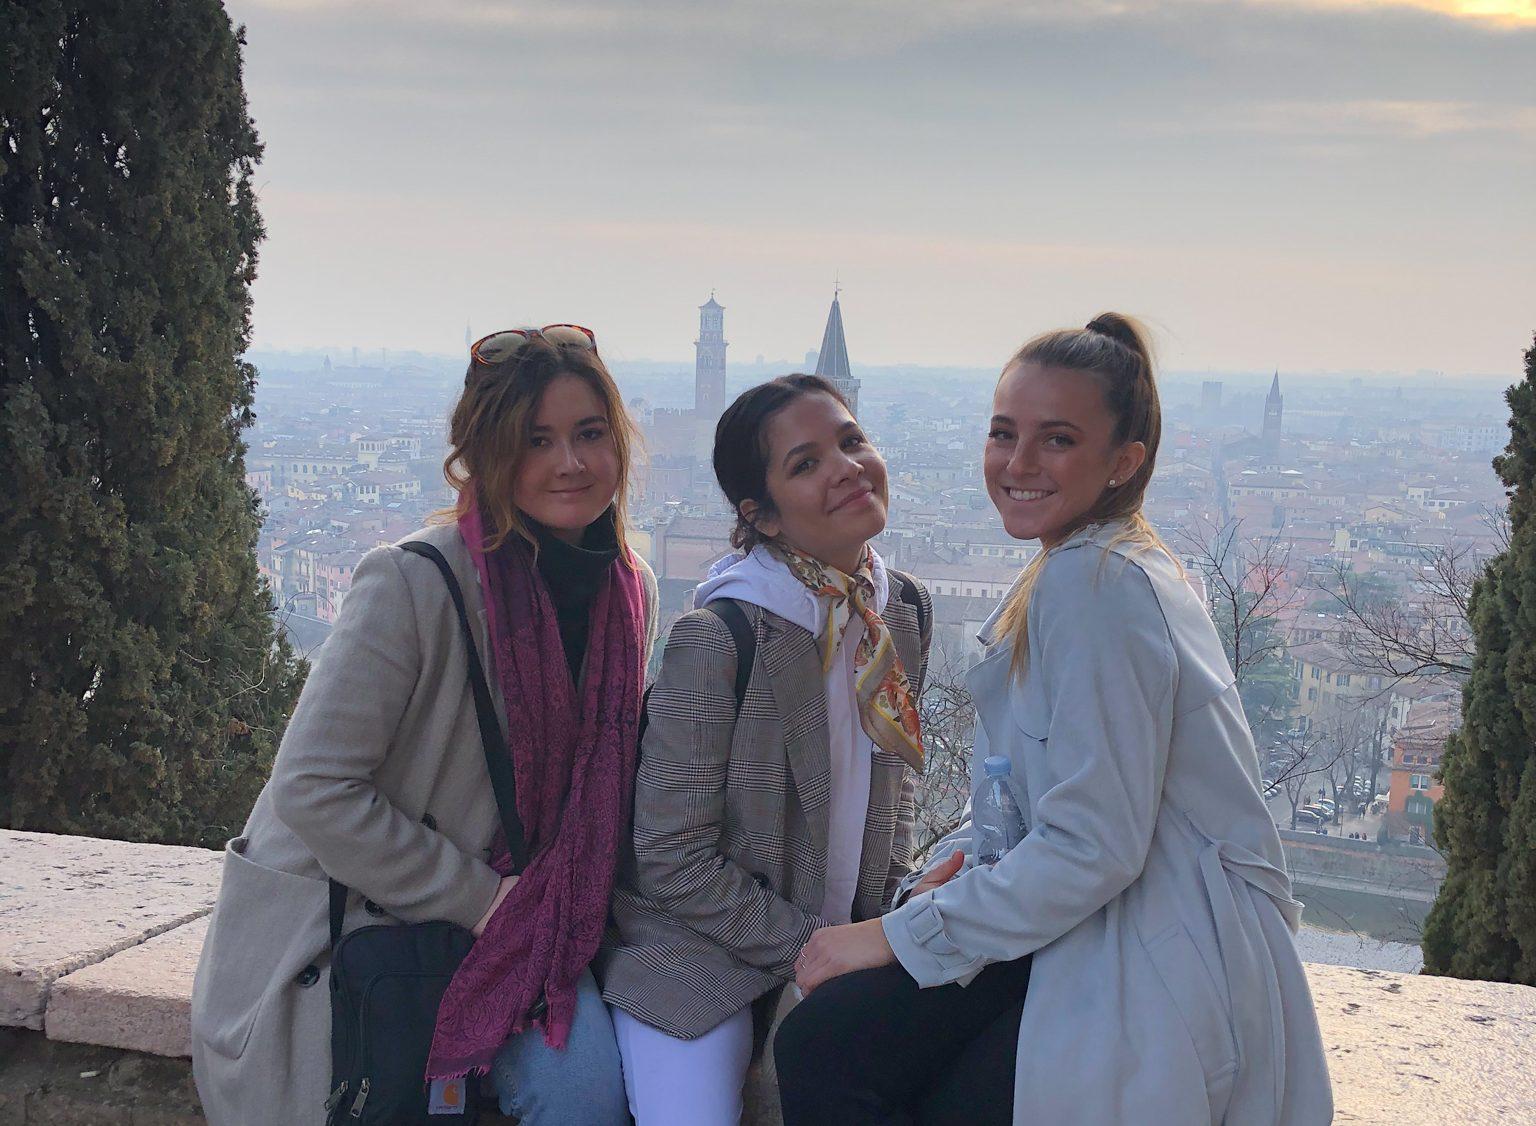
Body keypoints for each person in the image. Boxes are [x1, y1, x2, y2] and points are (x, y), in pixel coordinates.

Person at [775, 315, 1333, 1125]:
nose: (1019, 464)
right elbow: (1042, 795)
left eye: (1058, 439)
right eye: (1004, 434)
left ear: (1123, 462)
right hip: (1139, 927)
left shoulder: (1095, 585)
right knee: (842, 1043)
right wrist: (956, 870)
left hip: (1156, 954)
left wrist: (895, 935)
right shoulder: (1098, 562)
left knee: (832, 1046)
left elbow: (1093, 843)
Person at [190, 326, 656, 1125]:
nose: (569, 463)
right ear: (487, 456)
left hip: (537, 916)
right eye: (534, 441)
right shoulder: (415, 582)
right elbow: (312, 789)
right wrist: (478, 897)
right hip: (383, 922)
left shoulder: (629, 592)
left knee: (583, 1094)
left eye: (588, 434)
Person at [598, 374, 933, 1125]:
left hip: (851, 937)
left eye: (851, 441)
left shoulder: (899, 612)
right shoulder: (722, 636)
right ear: (763, 516)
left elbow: (895, 794)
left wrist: (896, 909)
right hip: (701, 952)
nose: (847, 467)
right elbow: (670, 859)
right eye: (806, 463)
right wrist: (819, 947)